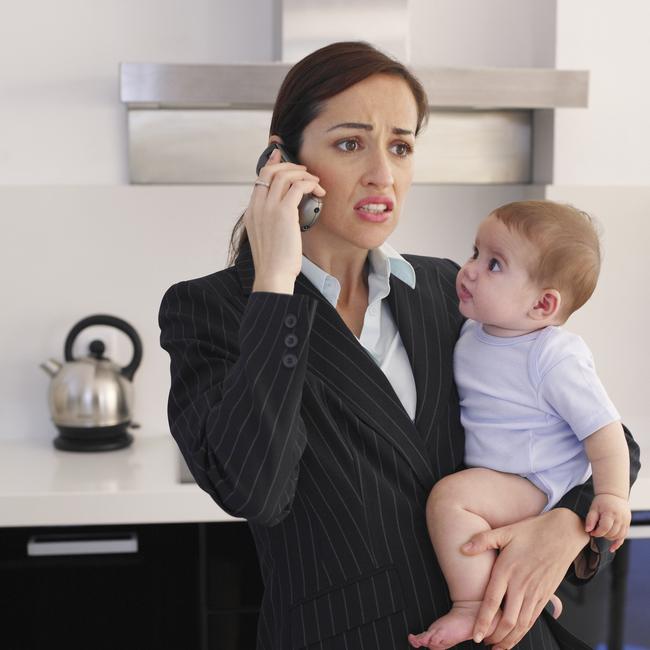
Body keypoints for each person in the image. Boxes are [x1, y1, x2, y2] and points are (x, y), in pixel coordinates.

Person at [158, 42, 640, 650]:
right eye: (350, 143)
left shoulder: (452, 290)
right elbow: (255, 489)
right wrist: (275, 286)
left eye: (401, 146)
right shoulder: (212, 309)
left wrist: (566, 524)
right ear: (283, 158)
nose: (382, 175)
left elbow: (607, 435)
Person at [407, 201, 633, 649]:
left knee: (451, 499)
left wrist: (610, 496)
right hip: (504, 475)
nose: (469, 270)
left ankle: (473, 608)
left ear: (543, 303)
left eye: (493, 264)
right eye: (474, 252)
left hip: (535, 479)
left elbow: (606, 431)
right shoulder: (473, 331)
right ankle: (525, 595)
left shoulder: (553, 355)